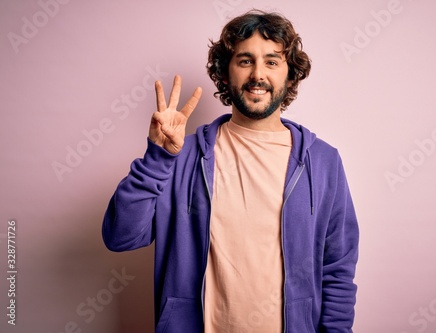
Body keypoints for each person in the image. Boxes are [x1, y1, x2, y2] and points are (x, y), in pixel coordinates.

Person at [102, 9, 359, 333]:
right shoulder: (181, 157)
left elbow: (337, 268)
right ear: (225, 73)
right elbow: (120, 237)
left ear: (290, 75)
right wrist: (158, 158)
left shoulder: (323, 162)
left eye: (272, 61)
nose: (258, 74)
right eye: (245, 60)